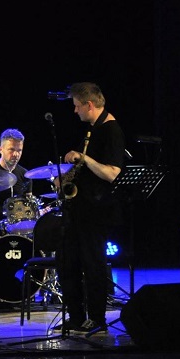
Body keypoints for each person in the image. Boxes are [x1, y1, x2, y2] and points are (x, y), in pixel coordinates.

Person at [54, 82, 125, 335]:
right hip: (79, 209)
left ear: (89, 105)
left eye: (76, 106)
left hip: (98, 211)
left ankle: (96, 319)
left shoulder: (111, 131)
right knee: (66, 263)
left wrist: (83, 158)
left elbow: (112, 173)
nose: (75, 111)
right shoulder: (92, 129)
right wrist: (67, 177)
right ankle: (75, 317)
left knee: (93, 266)